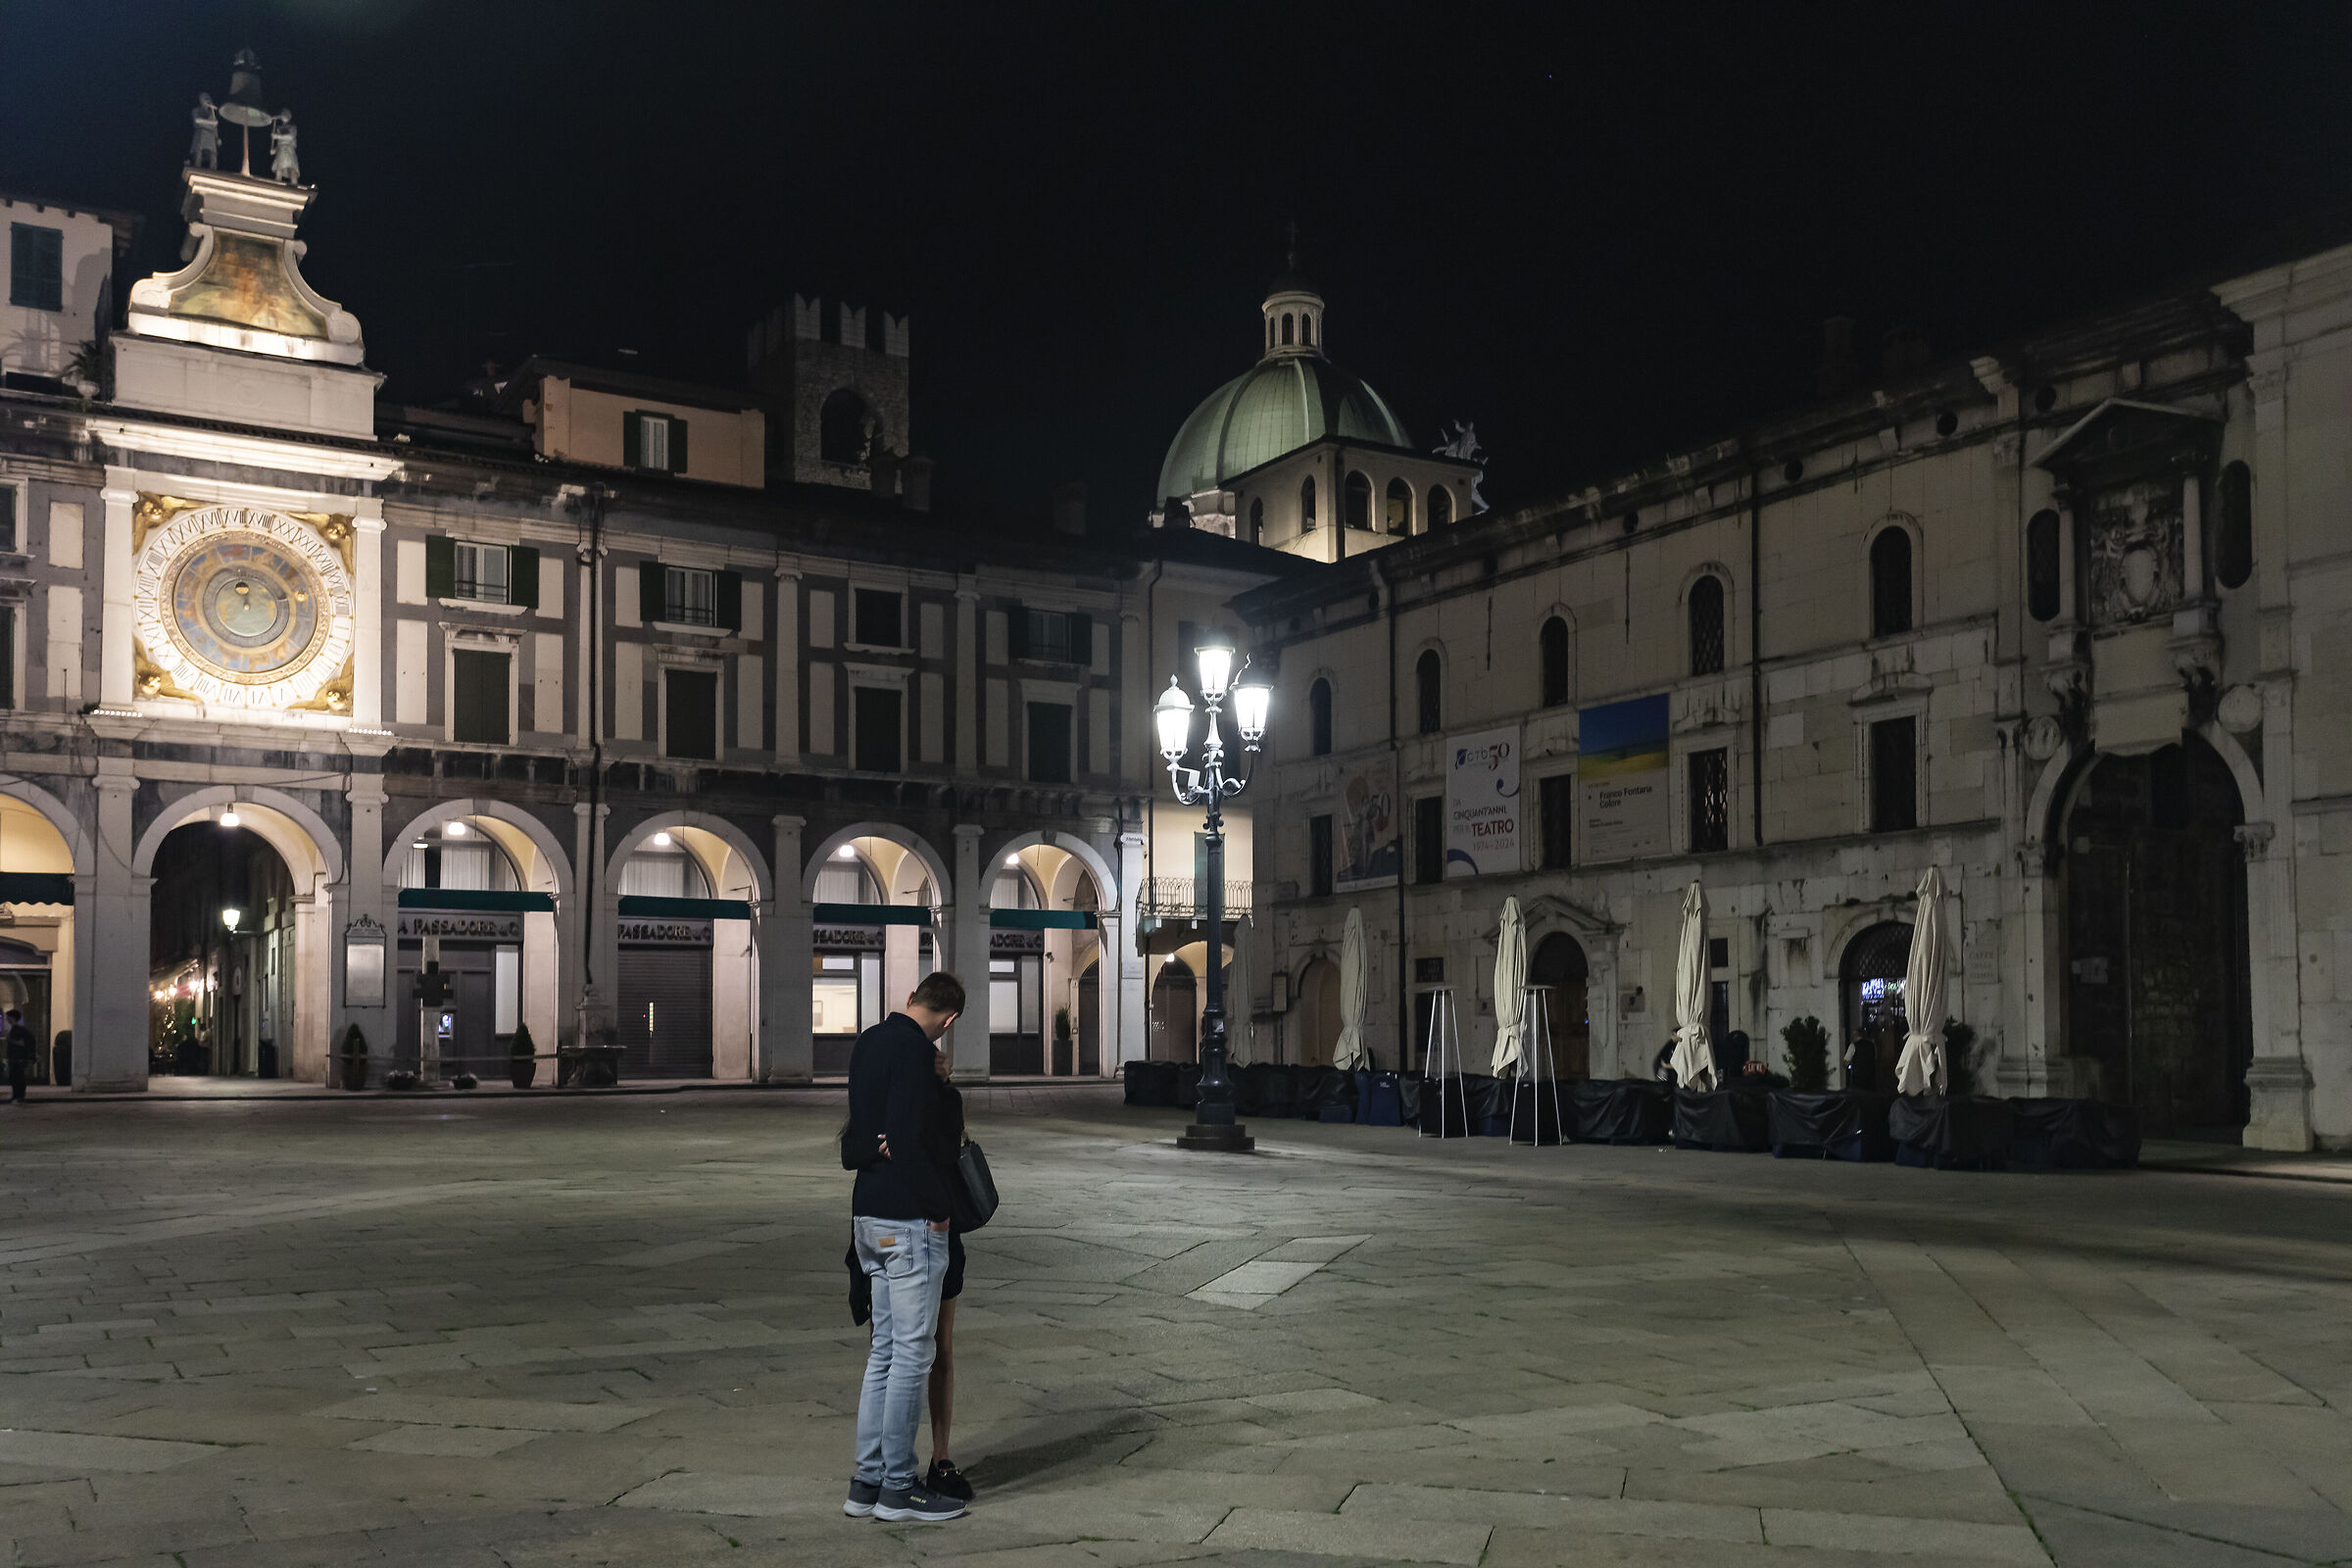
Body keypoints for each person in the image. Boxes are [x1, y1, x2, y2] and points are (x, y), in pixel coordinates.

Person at [841, 972, 967, 1524]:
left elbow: (859, 1139)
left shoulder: (868, 1041)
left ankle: (866, 1483)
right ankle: (898, 1486)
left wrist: (883, 1145)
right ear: (950, 1020)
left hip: (867, 1213)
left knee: (885, 1353)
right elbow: (910, 1139)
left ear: (912, 997)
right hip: (908, 1221)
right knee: (915, 1355)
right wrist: (939, 1208)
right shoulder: (919, 1052)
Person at [5, 1009, 32, 1103]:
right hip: (15, 1058)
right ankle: (16, 1096)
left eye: (8, 1017)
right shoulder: (15, 1029)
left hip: (18, 1058)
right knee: (14, 1077)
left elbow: (21, 1043)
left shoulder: (19, 1030)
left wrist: (10, 1040)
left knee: (18, 1078)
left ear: (12, 1017)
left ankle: (19, 1096)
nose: (6, 1019)